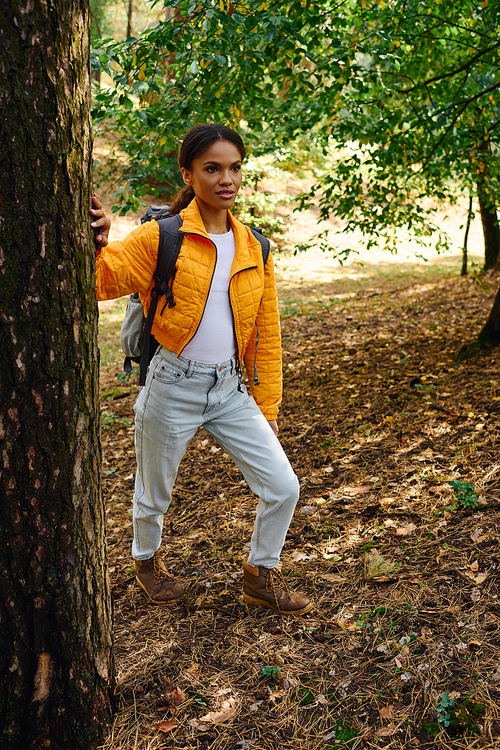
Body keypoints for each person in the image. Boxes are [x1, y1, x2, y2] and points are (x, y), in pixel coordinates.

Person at [91, 123, 313, 616]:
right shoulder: (161, 237)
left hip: (231, 388)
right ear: (189, 174)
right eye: (212, 168)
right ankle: (146, 564)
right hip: (171, 385)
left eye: (234, 167)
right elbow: (105, 281)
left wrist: (268, 404)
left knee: (283, 486)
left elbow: (265, 335)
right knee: (154, 493)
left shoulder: (256, 246)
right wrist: (99, 242)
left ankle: (259, 575)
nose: (225, 178)